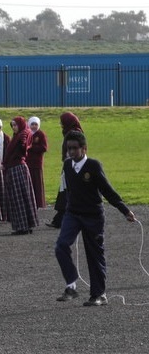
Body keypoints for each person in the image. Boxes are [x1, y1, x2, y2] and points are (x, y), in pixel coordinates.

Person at [53, 131, 135, 306]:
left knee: (94, 254)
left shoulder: (93, 166)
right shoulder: (67, 166)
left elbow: (107, 190)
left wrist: (124, 210)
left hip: (93, 216)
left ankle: (99, 294)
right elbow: (66, 191)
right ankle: (71, 285)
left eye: (75, 148)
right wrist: (62, 212)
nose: (71, 152)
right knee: (61, 245)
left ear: (84, 148)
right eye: (69, 149)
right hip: (73, 214)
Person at [3, 117, 39, 235]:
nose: (14, 128)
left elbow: (23, 147)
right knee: (23, 197)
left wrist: (23, 142)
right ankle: (26, 225)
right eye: (12, 125)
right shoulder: (19, 135)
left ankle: (23, 226)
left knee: (18, 197)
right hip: (18, 168)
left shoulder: (22, 135)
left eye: (15, 125)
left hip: (16, 168)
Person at [48, 112, 84, 228]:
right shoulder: (73, 132)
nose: (61, 124)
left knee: (67, 192)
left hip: (72, 166)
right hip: (71, 165)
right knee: (66, 192)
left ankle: (61, 219)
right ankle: (60, 219)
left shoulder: (73, 133)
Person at [27, 116, 48, 209]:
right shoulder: (27, 133)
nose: (34, 126)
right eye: (32, 124)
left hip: (37, 162)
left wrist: (32, 147)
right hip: (28, 162)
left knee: (38, 182)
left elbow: (44, 148)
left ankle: (39, 202)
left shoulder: (40, 134)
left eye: (36, 124)